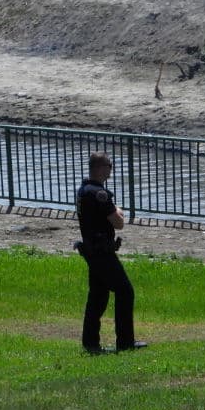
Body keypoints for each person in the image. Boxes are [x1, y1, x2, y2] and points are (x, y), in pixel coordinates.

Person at [75, 152, 146, 354]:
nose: (111, 169)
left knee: (97, 296)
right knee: (125, 291)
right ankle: (125, 342)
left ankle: (91, 343)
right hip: (102, 252)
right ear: (99, 168)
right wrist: (119, 210)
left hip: (91, 250)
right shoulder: (99, 193)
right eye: (109, 166)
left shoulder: (83, 190)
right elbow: (119, 223)